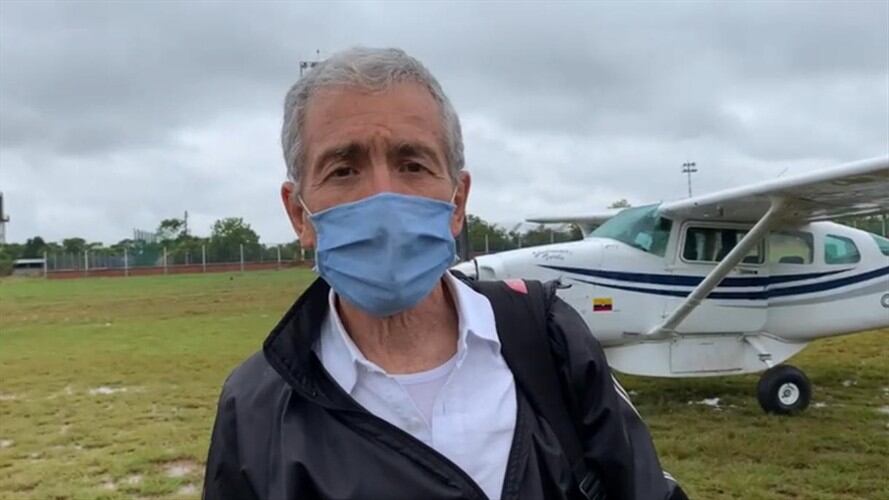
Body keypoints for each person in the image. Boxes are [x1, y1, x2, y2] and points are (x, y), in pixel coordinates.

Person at [203, 47, 686, 500]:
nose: (383, 198)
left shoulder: (549, 340)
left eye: (412, 164)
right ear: (298, 214)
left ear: (458, 203)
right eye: (344, 170)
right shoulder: (254, 409)